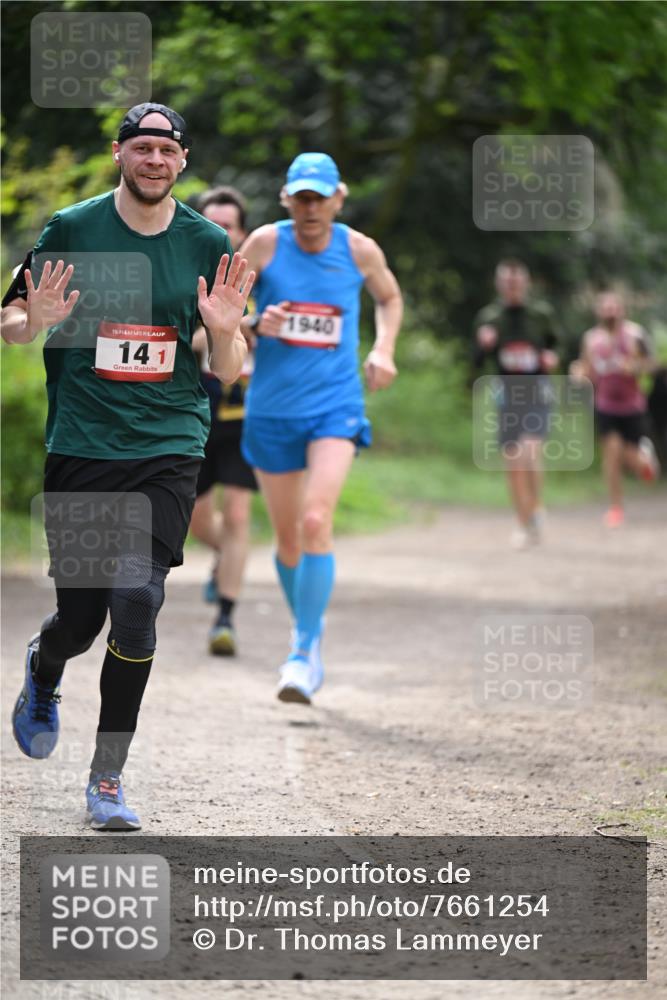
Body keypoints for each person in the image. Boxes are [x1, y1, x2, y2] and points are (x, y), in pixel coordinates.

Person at [1, 103, 254, 829]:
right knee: (80, 621)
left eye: (166, 150)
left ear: (183, 161)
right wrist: (35, 320)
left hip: (169, 443)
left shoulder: (208, 243)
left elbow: (228, 369)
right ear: (118, 153)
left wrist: (226, 335)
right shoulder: (72, 229)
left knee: (138, 600)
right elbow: (12, 321)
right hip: (82, 442)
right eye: (140, 147)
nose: (153, 160)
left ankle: (106, 780)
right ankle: (45, 669)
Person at [239, 152, 402, 704]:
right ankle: (307, 623)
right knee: (287, 540)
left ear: (339, 197)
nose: (310, 208)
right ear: (286, 198)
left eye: (320, 197)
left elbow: (389, 297)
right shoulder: (263, 244)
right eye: (301, 197)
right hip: (272, 408)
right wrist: (254, 322)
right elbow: (219, 309)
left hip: (335, 405)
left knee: (315, 520)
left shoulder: (359, 249)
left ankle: (303, 650)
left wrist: (382, 348)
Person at [189, 186, 259, 656]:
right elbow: (187, 343)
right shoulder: (186, 276)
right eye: (212, 223)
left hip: (249, 420)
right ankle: (221, 557)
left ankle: (226, 618)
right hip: (197, 419)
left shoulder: (264, 277)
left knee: (236, 513)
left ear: (243, 231)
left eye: (228, 225)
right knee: (196, 522)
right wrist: (222, 329)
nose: (221, 232)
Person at [473, 259, 561, 549]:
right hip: (507, 394)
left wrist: (552, 357)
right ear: (499, 285)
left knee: (530, 452)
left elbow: (557, 345)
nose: (511, 288)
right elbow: (475, 361)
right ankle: (524, 524)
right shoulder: (489, 317)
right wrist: (483, 346)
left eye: (516, 282)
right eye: (506, 283)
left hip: (537, 389)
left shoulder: (540, 314)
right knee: (512, 462)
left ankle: (535, 506)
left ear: (526, 284)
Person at [570, 290, 659, 526]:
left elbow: (653, 365)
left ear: (622, 310)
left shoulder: (635, 334)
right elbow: (586, 368)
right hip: (605, 404)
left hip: (632, 405)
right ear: (598, 311)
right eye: (605, 308)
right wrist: (579, 374)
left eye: (614, 308)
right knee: (611, 455)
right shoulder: (591, 339)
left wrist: (636, 367)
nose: (610, 312)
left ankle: (645, 459)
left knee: (631, 458)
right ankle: (616, 508)